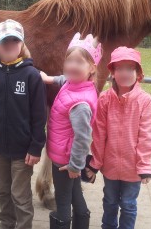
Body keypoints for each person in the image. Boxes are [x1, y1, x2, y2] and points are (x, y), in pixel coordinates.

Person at [0, 19, 47, 229]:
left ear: (22, 45)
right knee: (2, 191)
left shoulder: (31, 76)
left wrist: (36, 147)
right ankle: (6, 224)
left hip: (23, 152)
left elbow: (39, 116)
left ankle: (23, 225)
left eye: (14, 40)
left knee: (20, 195)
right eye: (3, 41)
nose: (9, 45)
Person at [86, 47, 151, 229]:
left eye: (130, 68)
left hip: (132, 168)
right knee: (109, 201)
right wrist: (96, 163)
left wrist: (144, 165)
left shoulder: (145, 100)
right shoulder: (104, 99)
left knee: (128, 204)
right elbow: (99, 134)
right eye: (120, 68)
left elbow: (147, 135)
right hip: (110, 166)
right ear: (113, 72)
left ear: (138, 73)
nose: (124, 73)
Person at [40, 33, 102, 229]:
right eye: (69, 60)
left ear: (92, 68)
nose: (72, 66)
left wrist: (75, 165)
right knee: (76, 195)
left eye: (79, 62)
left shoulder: (81, 103)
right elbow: (65, 80)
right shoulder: (78, 84)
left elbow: (83, 138)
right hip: (67, 159)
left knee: (63, 202)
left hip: (64, 161)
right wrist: (49, 79)